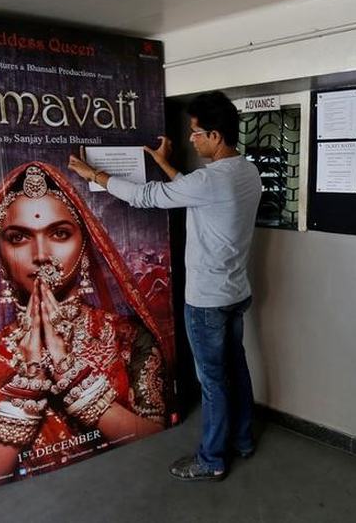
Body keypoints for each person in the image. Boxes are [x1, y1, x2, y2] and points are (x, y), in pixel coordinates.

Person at [0, 162, 171, 498]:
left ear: (85, 246)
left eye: (59, 234)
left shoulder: (127, 338)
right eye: (18, 237)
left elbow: (157, 439)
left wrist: (74, 380)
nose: (41, 255)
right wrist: (24, 396)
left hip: (126, 497)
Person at [68, 90, 262, 481]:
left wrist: (94, 176)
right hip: (236, 293)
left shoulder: (210, 181)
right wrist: (165, 164)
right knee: (236, 370)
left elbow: (146, 197)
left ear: (216, 136)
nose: (191, 139)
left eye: (196, 133)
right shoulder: (246, 171)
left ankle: (211, 460)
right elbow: (196, 193)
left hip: (207, 301)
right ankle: (242, 440)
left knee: (212, 382)